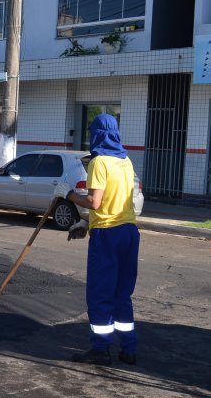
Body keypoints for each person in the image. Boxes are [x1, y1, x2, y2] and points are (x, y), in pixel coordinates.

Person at [54, 113, 140, 366]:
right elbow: (116, 202)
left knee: (100, 293)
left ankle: (100, 349)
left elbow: (95, 201)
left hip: (108, 235)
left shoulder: (99, 162)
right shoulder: (126, 161)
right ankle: (129, 348)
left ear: (97, 134)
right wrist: (85, 222)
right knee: (122, 294)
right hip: (129, 231)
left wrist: (68, 195)